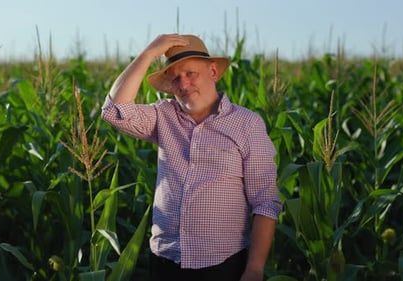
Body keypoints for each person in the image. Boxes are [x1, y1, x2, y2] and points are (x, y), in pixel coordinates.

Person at [101, 34, 281, 281]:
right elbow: (114, 111)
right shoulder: (163, 116)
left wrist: (254, 269)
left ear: (214, 71)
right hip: (165, 261)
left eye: (190, 74)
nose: (183, 85)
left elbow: (265, 202)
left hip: (222, 265)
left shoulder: (246, 125)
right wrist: (148, 54)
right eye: (175, 78)